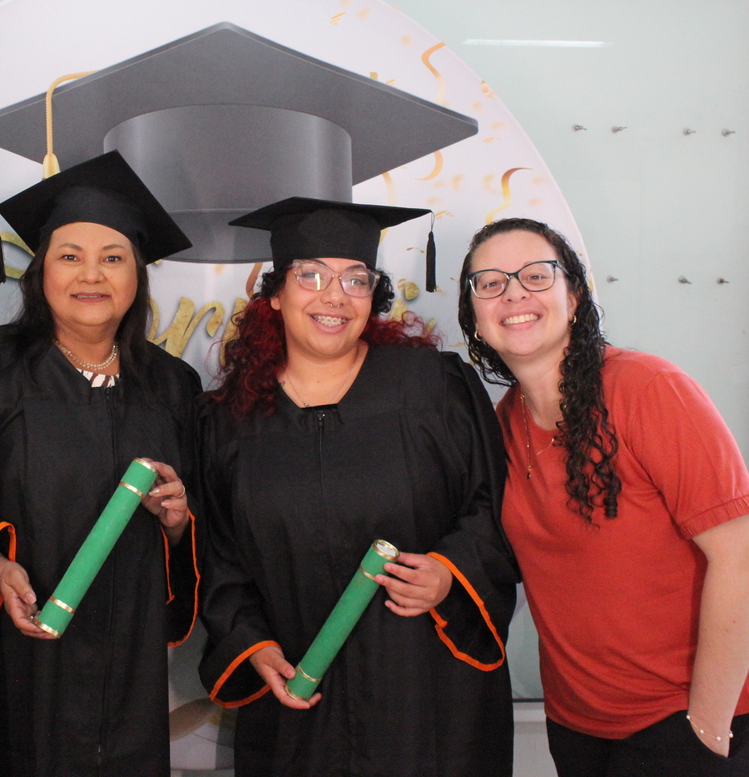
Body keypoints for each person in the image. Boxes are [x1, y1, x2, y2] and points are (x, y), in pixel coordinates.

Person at [198, 197, 519, 777]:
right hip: (299, 695)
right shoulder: (227, 421)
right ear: (276, 294)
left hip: (429, 698)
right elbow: (218, 554)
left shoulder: (434, 388)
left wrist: (450, 573)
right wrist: (253, 644)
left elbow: (491, 504)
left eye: (356, 278)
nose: (335, 296)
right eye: (310, 276)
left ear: (374, 294)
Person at [0, 151, 201, 777]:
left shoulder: (173, 386)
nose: (92, 275)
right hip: (14, 660)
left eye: (114, 258)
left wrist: (178, 523)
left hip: (130, 672)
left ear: (137, 276)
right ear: (40, 272)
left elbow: (204, 528)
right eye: (70, 256)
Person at [458, 217, 749, 777]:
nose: (513, 293)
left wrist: (708, 728)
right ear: (474, 316)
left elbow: (739, 558)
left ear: (573, 297)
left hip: (681, 722)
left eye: (536, 275)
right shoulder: (502, 424)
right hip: (576, 726)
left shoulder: (649, 389)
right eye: (489, 283)